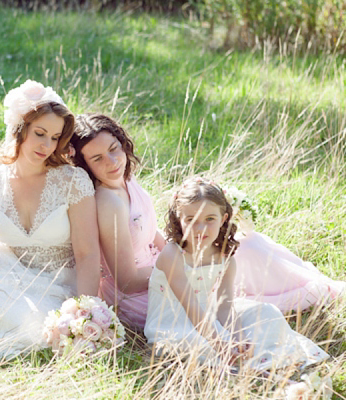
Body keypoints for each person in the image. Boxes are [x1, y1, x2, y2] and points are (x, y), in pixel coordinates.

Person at [70, 113, 344, 330]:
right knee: (234, 260)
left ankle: (315, 285)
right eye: (97, 158)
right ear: (86, 166)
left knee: (242, 245)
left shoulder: (123, 177)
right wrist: (187, 264)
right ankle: (309, 292)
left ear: (122, 142)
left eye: (114, 149)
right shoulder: (108, 203)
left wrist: (183, 249)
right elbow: (126, 280)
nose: (112, 161)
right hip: (145, 295)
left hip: (165, 265)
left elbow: (149, 231)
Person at [0, 80, 100, 356]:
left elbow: (87, 254)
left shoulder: (73, 181)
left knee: (34, 323)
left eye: (54, 137)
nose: (47, 145)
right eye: (40, 133)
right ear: (19, 129)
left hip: (57, 285)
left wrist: (83, 312)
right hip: (5, 278)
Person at [143, 177, 328, 370]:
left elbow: (224, 307)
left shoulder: (225, 258)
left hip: (207, 314)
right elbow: (190, 306)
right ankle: (246, 364)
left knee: (266, 313)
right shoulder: (172, 254)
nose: (201, 228)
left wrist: (239, 336)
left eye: (210, 219)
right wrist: (219, 341)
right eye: (191, 220)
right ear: (178, 219)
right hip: (173, 323)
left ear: (223, 219)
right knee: (204, 343)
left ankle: (263, 357)